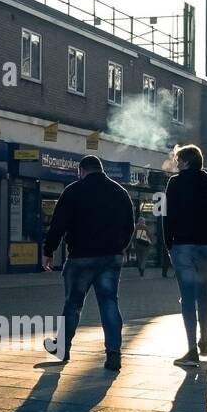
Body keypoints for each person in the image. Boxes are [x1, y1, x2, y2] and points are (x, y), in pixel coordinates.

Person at [41, 155, 134, 371]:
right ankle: (113, 354)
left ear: (82, 171)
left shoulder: (73, 191)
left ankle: (62, 348)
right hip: (110, 257)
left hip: (80, 257)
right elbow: (129, 226)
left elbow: (58, 224)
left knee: (73, 304)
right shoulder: (120, 192)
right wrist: (118, 247)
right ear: (101, 170)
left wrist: (48, 251)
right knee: (109, 302)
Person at [163, 144, 207, 366]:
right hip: (206, 247)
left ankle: (191, 350)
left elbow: (168, 217)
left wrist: (168, 246)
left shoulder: (174, 183)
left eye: (179, 160)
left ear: (187, 161)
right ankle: (204, 341)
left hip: (182, 246)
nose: (176, 164)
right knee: (204, 295)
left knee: (188, 297)